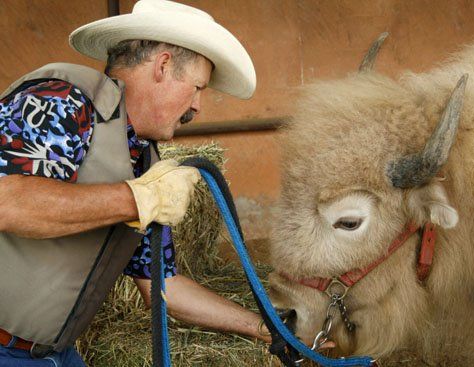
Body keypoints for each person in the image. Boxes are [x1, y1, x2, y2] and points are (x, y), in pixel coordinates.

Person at [0, 1, 271, 366]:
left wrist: (262, 327)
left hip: (51, 353)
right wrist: (138, 199)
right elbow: (8, 202)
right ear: (162, 66)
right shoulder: (62, 102)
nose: (197, 106)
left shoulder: (143, 160)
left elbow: (163, 287)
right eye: (196, 88)